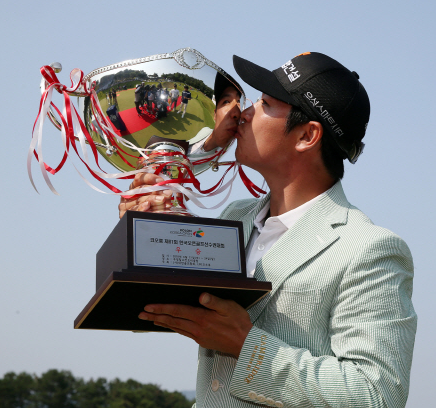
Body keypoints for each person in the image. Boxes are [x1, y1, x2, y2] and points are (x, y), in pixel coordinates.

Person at [119, 52, 416, 408]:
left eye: (265, 103)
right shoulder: (235, 218)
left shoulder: (368, 248)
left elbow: (377, 395)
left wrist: (247, 345)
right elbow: (166, 307)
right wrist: (147, 229)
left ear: (307, 135)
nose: (243, 113)